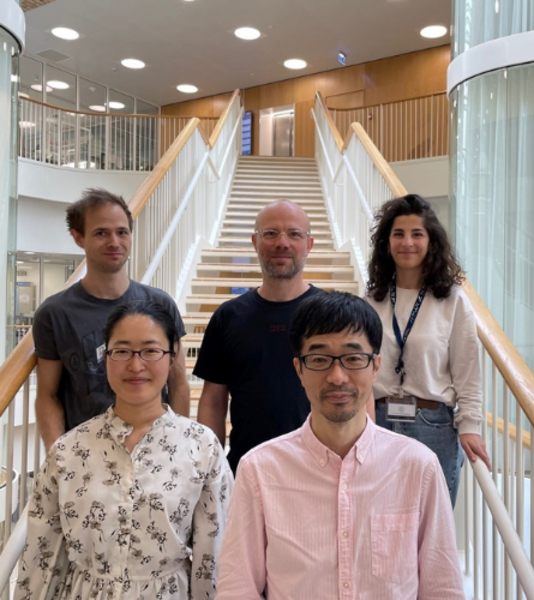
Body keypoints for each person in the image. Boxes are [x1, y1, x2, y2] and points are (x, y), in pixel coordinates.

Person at [216, 292, 464, 600]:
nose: (336, 377)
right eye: (319, 359)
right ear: (299, 369)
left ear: (375, 366)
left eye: (353, 358)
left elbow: (442, 589)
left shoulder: (418, 467)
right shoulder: (260, 470)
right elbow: (237, 589)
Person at [16, 301, 233, 600]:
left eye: (151, 351)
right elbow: (42, 558)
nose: (136, 365)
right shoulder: (68, 451)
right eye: (121, 351)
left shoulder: (202, 447)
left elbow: (214, 558)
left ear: (172, 359)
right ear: (105, 358)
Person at [33, 188, 190, 451]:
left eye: (122, 232)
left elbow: (178, 383)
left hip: (155, 453)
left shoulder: (161, 304)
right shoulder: (55, 314)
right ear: (78, 238)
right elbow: (47, 395)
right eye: (101, 233)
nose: (114, 242)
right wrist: (56, 457)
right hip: (86, 456)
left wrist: (178, 447)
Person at [365, 194, 490, 507]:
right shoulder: (372, 300)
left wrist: (470, 425)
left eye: (417, 234)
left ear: (431, 242)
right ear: (387, 243)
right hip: (377, 422)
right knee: (380, 521)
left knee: (432, 525)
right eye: (398, 234)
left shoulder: (452, 300)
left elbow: (467, 371)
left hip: (433, 426)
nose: (407, 242)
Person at [193, 199, 322, 473]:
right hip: (247, 470)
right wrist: (210, 470)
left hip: (318, 470)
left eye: (294, 234)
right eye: (271, 233)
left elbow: (358, 394)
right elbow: (213, 401)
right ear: (255, 241)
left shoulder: (331, 314)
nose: (282, 243)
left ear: (309, 244)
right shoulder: (228, 317)